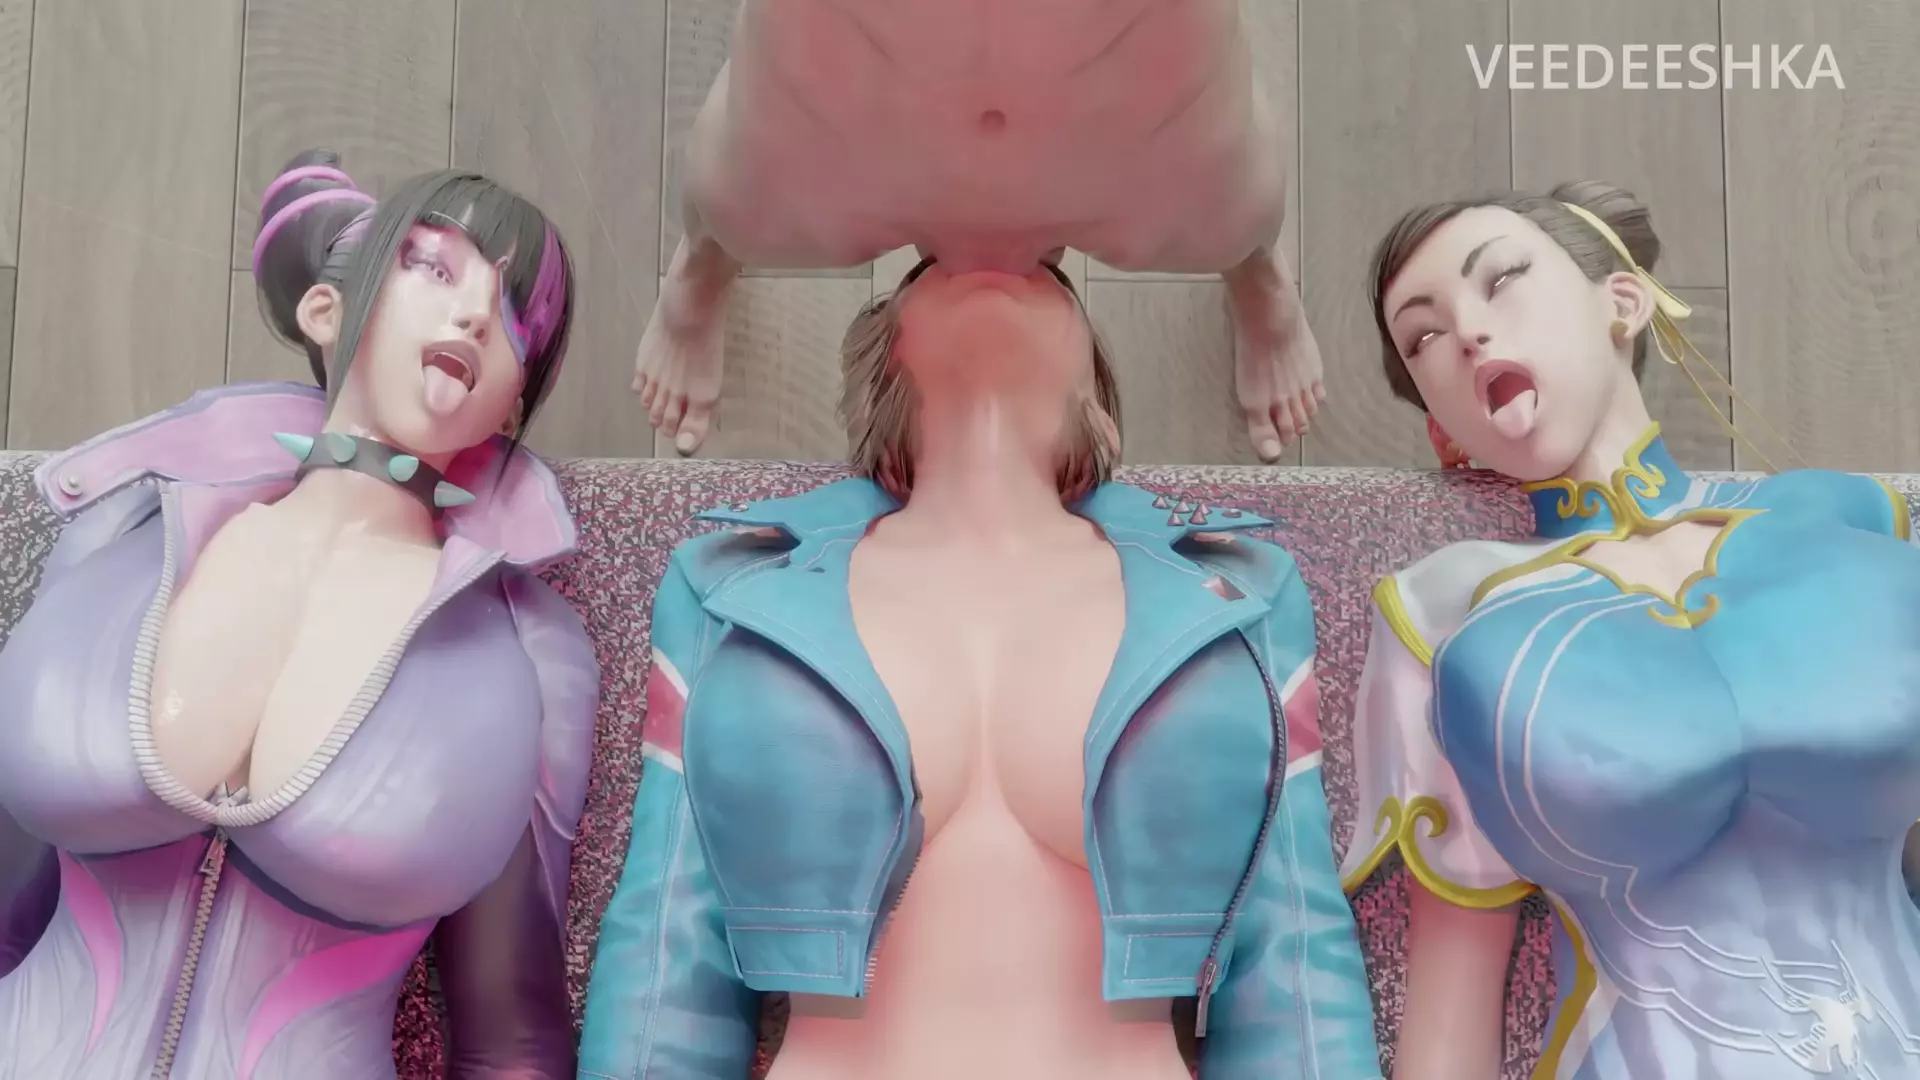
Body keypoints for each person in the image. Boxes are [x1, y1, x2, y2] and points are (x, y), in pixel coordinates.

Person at [581, 256, 1380, 1079]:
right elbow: (667, 941)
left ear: (1100, 418)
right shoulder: (727, 588)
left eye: (1047, 272)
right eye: (937, 261)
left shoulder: (1243, 595)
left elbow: (1293, 947)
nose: (995, 256)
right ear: (884, 366)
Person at [0, 150, 599, 1079]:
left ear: (511, 404)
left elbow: (511, 1038)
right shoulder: (123, 532)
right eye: (432, 266)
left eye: (516, 312)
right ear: (325, 310)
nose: (477, 314)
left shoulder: (530, 653)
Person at [1339, 179, 1920, 1078]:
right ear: (1440, 426)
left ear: (1624, 301)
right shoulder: (1441, 615)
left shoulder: (1854, 520)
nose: (1468, 333)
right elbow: (1452, 999)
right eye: (1422, 337)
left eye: (1502, 280)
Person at [632, 0, 1321, 463]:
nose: (985, 414)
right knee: (1230, 215)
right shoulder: (1191, 208)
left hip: (855, 117)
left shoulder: (785, 204)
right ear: (1101, 424)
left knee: (739, 207)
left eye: (951, 419)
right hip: (1131, 129)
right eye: (1013, 419)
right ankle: (1254, 267)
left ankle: (706, 259)